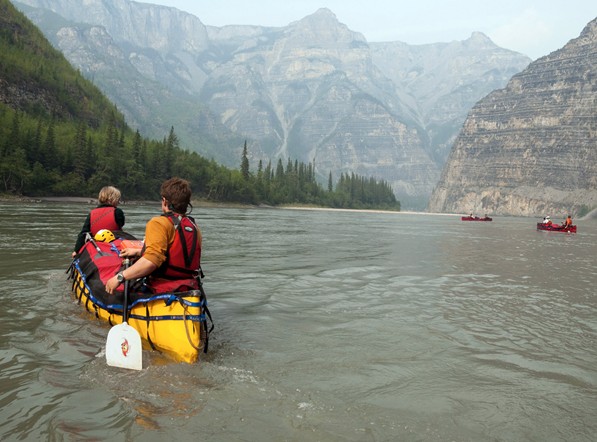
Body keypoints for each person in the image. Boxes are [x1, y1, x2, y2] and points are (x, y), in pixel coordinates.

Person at [105, 177, 202, 295]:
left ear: (165, 201)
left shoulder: (158, 223)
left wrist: (119, 277)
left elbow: (151, 262)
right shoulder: (194, 227)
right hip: (190, 287)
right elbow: (173, 253)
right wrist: (139, 252)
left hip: (163, 289)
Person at [72, 186, 125, 257]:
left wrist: (76, 250)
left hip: (97, 246)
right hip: (114, 245)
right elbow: (121, 224)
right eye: (118, 199)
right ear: (113, 199)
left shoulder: (92, 213)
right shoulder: (117, 212)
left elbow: (83, 233)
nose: (118, 201)